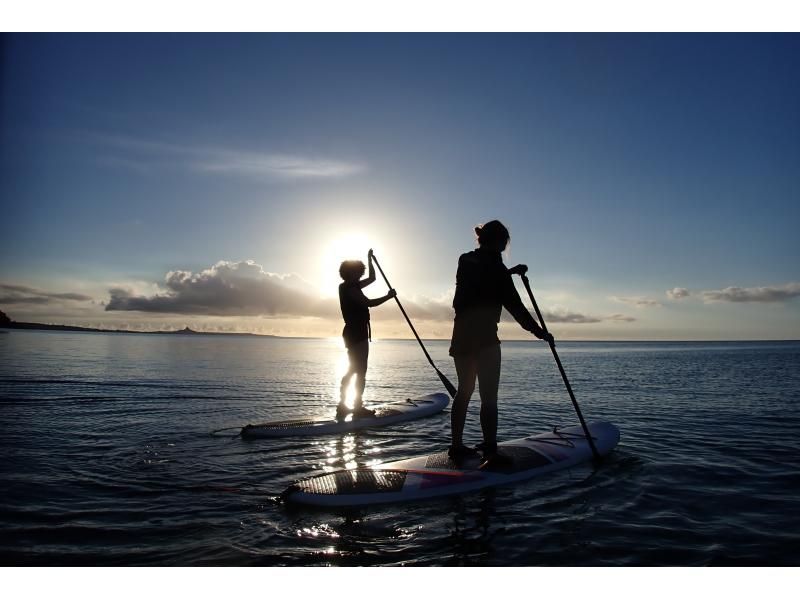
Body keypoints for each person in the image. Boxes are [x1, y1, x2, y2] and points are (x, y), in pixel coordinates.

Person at [448, 220, 554, 467]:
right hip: (484, 339)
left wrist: (508, 273)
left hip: (461, 336)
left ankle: (456, 445)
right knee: (489, 398)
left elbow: (480, 280)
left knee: (464, 392)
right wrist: (540, 332)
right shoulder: (497, 271)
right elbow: (516, 308)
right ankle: (490, 450)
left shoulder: (465, 260)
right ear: (500, 242)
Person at [337, 249, 396, 420]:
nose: (359, 274)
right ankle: (356, 407)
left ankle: (344, 406)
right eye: (357, 271)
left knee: (354, 369)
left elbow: (373, 278)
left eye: (359, 271)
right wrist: (388, 296)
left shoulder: (352, 285)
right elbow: (368, 303)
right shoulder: (348, 288)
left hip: (355, 333)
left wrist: (369, 260)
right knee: (360, 371)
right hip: (356, 333)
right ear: (349, 272)